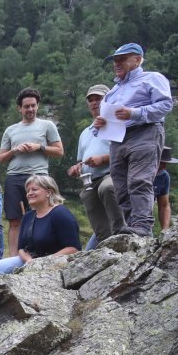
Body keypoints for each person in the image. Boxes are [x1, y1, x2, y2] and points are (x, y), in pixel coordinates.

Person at [94, 43, 174, 236]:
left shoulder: (152, 78)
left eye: (122, 59)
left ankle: (142, 226)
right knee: (120, 187)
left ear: (137, 60)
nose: (117, 64)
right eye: (115, 60)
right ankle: (132, 229)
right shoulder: (112, 91)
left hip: (145, 132)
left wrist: (133, 113)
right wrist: (98, 125)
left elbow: (165, 105)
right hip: (117, 139)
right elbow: (105, 121)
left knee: (139, 180)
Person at [0, 88, 64, 257]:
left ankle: (41, 255)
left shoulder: (47, 125)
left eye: (33, 105)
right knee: (14, 220)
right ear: (19, 108)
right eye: (26, 106)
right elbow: (1, 158)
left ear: (37, 106)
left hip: (39, 177)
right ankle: (14, 259)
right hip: (14, 177)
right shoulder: (10, 130)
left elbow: (59, 151)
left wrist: (39, 147)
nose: (30, 109)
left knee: (42, 215)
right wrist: (15, 150)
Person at [67, 84, 125, 247]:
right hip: (90, 181)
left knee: (107, 188)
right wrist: (76, 168)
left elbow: (126, 152)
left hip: (112, 174)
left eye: (98, 99)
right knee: (88, 199)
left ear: (108, 101)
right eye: (91, 100)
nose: (94, 103)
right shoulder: (85, 133)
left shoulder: (117, 124)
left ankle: (123, 233)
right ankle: (107, 247)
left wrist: (103, 159)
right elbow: (80, 160)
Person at [0, 175, 81, 275]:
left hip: (56, 262)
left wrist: (44, 262)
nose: (29, 193)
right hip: (31, 261)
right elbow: (21, 248)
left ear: (49, 192)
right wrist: (30, 261)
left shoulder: (61, 214)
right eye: (28, 191)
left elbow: (73, 248)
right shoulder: (28, 216)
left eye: (34, 189)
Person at [155, 145, 178, 231]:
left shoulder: (164, 176)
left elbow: (164, 205)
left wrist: (165, 230)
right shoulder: (135, 172)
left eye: (165, 163)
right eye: (161, 163)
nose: (164, 167)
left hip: (144, 221)